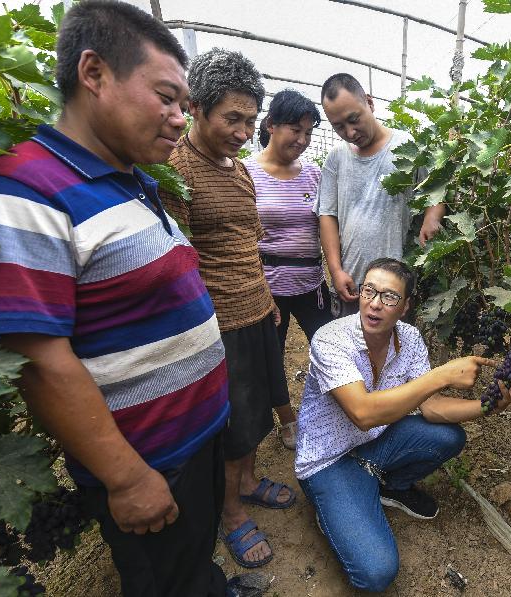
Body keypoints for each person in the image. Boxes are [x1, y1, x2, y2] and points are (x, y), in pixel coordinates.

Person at [0, 2, 234, 595]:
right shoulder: (24, 188)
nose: (176, 118)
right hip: (148, 462)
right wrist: (125, 479)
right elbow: (36, 358)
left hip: (191, 441)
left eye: (183, 105)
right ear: (94, 73)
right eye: (165, 97)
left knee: (192, 565)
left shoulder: (129, 177)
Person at [295, 258, 511, 592]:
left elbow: (431, 408)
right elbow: (362, 413)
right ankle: (335, 506)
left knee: (447, 436)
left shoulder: (409, 338)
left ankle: (389, 486)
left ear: (404, 307)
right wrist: (441, 375)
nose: (375, 304)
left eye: (389, 297)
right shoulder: (331, 340)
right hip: (329, 460)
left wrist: (487, 406)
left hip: (375, 442)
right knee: (376, 573)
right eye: (369, 291)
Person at [159, 49, 293, 570]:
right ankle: (231, 511)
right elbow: (176, 258)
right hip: (216, 324)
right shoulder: (175, 168)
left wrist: (267, 301)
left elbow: (248, 241)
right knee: (230, 422)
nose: (242, 131)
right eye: (231, 118)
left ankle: (251, 480)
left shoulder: (238, 170)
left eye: (250, 121)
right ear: (197, 108)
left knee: (257, 410)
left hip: (258, 310)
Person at [243, 89, 333, 450]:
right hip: (268, 288)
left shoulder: (313, 174)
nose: (303, 140)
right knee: (271, 357)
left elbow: (326, 225)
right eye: (295, 129)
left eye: (309, 133)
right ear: (270, 125)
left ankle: (333, 409)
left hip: (312, 283)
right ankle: (288, 420)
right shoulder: (246, 172)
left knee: (329, 346)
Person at [316, 73, 445, 318]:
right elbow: (327, 216)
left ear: (370, 102)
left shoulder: (406, 147)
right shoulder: (336, 159)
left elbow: (436, 188)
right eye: (339, 126)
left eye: (354, 119)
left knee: (393, 352)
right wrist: (335, 270)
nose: (350, 132)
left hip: (394, 288)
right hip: (351, 285)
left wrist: (432, 217)